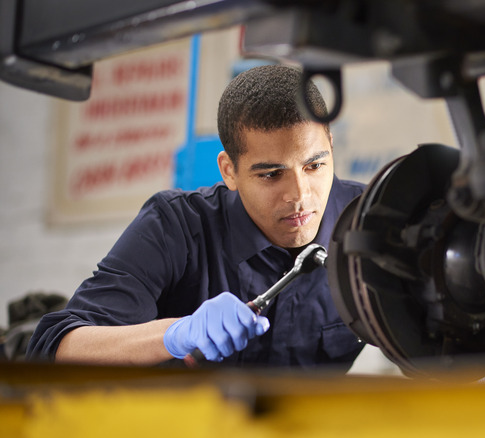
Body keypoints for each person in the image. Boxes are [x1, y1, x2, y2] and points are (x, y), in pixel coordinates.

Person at [26, 64, 365, 370]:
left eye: (314, 165)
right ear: (229, 171)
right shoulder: (175, 227)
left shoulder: (372, 221)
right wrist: (175, 335)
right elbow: (54, 349)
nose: (300, 195)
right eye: (271, 175)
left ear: (331, 145)